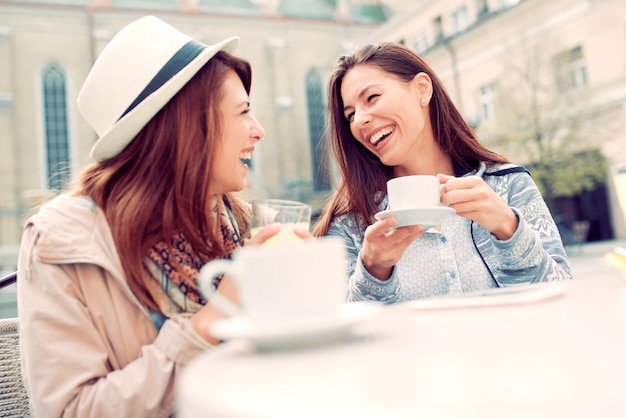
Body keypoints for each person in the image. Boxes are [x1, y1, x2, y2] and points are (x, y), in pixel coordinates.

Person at [16, 16, 286, 417]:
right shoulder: (61, 241)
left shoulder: (247, 224)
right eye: (243, 112)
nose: (258, 130)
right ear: (186, 125)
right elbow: (70, 410)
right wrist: (210, 322)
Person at [312, 42, 572, 303]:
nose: (359, 121)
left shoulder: (509, 185)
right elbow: (341, 332)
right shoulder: (349, 224)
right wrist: (373, 270)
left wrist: (508, 228)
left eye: (372, 98)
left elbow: (562, 298)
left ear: (422, 89)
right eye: (350, 115)